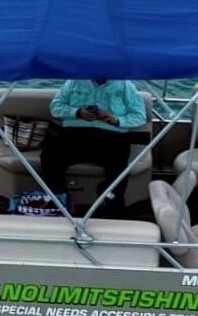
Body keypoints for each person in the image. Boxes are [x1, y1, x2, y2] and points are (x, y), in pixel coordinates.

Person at [40, 78, 147, 214]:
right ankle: (59, 199)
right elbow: (55, 108)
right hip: (76, 135)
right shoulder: (73, 82)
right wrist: (78, 112)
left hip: (111, 137)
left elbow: (140, 116)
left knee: (118, 166)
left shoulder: (126, 85)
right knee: (50, 157)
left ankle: (113, 206)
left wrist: (115, 119)